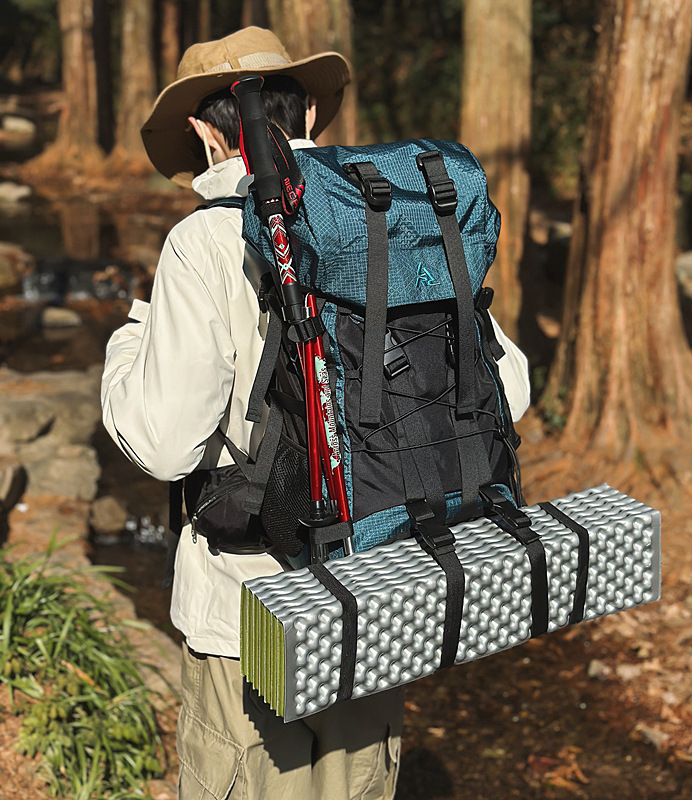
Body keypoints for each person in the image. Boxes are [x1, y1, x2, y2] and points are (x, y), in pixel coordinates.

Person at [101, 26, 530, 800]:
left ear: (202, 132)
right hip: (381, 581)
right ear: (307, 117)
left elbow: (164, 444)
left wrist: (128, 342)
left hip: (249, 607)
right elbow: (513, 390)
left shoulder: (203, 240)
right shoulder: (390, 225)